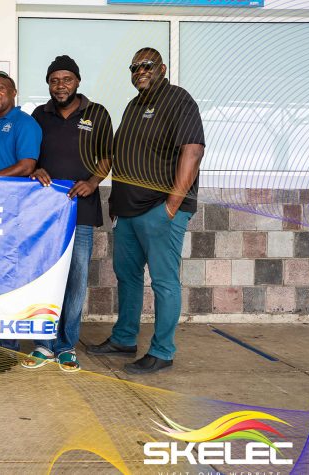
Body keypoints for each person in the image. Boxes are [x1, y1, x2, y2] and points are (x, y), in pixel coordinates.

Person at [86, 48, 205, 375]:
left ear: (161, 68)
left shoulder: (178, 99)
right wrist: (115, 201)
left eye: (147, 65)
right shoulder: (133, 106)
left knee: (164, 282)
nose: (139, 70)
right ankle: (124, 338)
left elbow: (193, 151)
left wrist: (171, 206)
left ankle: (162, 351)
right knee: (127, 276)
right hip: (127, 211)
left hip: (159, 209)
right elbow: (123, 154)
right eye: (134, 67)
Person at [23, 55, 113, 373]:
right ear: (48, 84)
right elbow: (30, 156)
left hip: (81, 211)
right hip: (46, 213)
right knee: (45, 278)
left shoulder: (97, 113)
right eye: (54, 80)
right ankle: (42, 344)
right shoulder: (39, 115)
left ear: (77, 81)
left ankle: (65, 346)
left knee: (75, 281)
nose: (60, 85)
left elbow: (107, 155)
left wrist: (93, 182)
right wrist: (35, 170)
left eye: (66, 79)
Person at [0, 70, 42, 373]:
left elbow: (27, 166)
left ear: (14, 92)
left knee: (7, 280)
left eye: (0, 88)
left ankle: (8, 350)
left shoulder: (25, 123)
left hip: (12, 212)